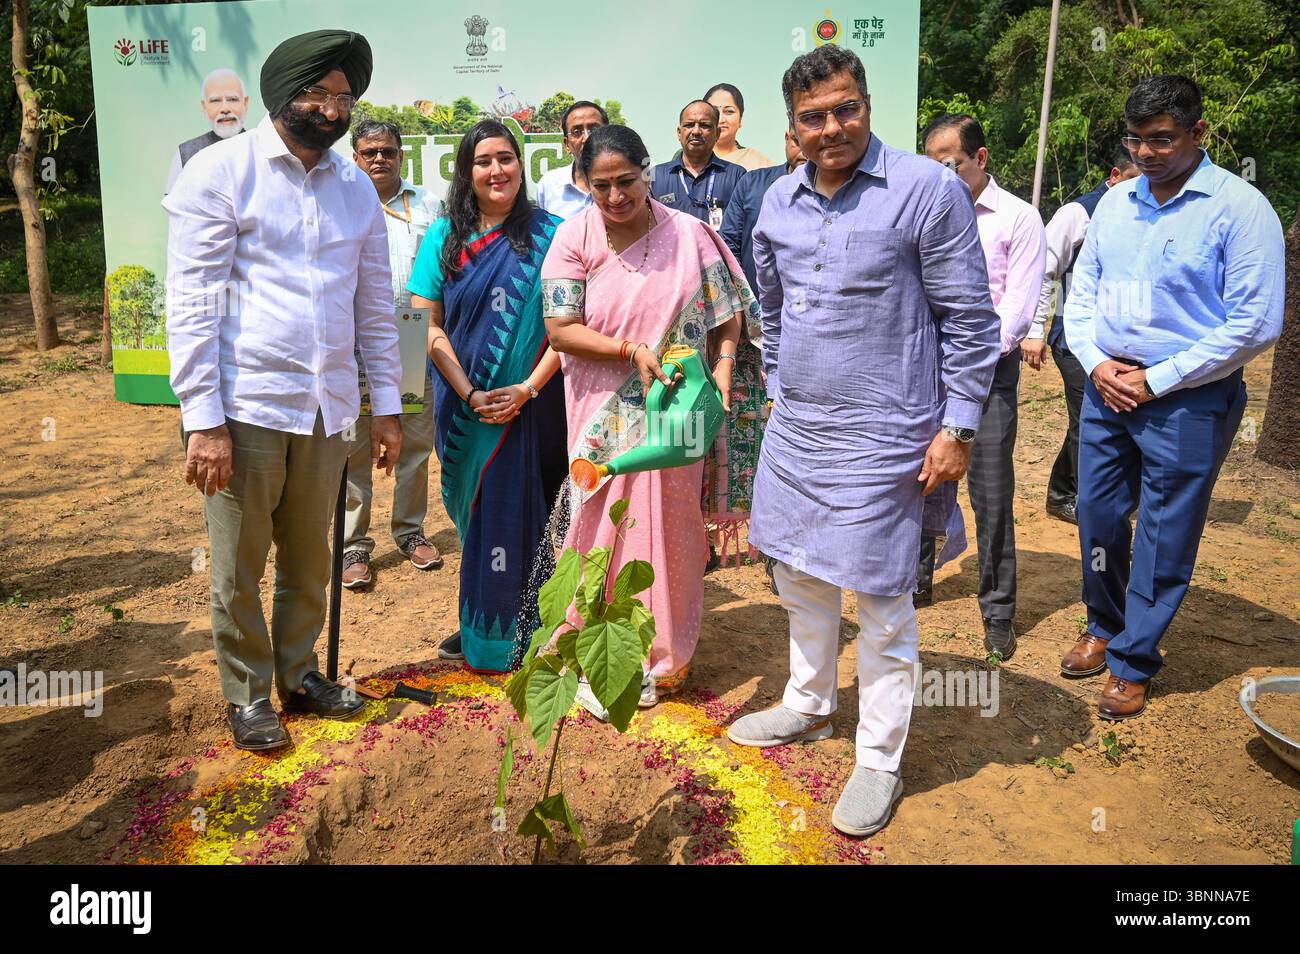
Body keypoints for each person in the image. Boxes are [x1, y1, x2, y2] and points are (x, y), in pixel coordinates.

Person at [726, 45, 1000, 837]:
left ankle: (878, 756)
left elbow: (971, 323)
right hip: (800, 430)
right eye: (813, 117)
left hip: (890, 438)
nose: (832, 127)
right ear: (793, 128)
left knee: (882, 604)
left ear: (868, 105)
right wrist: (778, 392)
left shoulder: (926, 190)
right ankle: (809, 704)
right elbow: (771, 311)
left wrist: (956, 427)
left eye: (846, 108)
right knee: (799, 575)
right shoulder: (777, 202)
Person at [165, 30, 401, 750]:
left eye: (344, 98)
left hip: (328, 407)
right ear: (282, 96)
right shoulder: (219, 173)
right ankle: (247, 695)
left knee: (310, 557)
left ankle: (299, 676)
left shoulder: (355, 184)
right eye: (319, 94)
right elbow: (192, 301)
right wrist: (203, 421)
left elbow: (373, 301)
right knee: (239, 564)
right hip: (245, 408)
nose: (333, 110)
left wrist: (386, 404)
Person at [1061, 75, 1283, 719]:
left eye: (1161, 139)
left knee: (1163, 531)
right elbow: (1082, 297)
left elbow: (1255, 321)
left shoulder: (1239, 209)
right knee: (1097, 514)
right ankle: (1103, 622)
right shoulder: (1115, 204)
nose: (1146, 153)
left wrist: (1158, 379)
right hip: (1108, 388)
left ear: (1197, 133)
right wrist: (1098, 362)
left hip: (1188, 397)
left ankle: (1133, 658)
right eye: (1135, 140)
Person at [542, 124, 749, 709]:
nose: (615, 197)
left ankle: (662, 660)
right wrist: (631, 351)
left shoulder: (691, 234)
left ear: (647, 171)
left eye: (626, 181)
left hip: (675, 409)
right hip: (600, 410)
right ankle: (593, 650)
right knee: (599, 523)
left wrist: (726, 367)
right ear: (584, 183)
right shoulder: (572, 237)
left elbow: (727, 313)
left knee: (669, 525)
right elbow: (560, 330)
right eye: (600, 185)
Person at [408, 120, 568, 672]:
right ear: (466, 171)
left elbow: (572, 324)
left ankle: (536, 629)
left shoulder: (555, 235)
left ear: (521, 166)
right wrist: (471, 393)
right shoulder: (443, 237)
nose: (496, 170)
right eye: (483, 161)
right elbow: (421, 322)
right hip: (463, 411)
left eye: (505, 158)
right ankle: (485, 625)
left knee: (537, 512)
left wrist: (525, 388)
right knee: (478, 515)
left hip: (538, 405)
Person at [917, 114, 1047, 660]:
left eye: (952, 164)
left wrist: (968, 360)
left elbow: (1015, 310)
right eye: (932, 165)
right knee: (920, 479)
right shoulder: (920, 214)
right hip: (923, 373)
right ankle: (915, 579)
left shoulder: (1019, 219)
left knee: (990, 495)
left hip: (989, 376)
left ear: (982, 158)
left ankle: (998, 611)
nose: (942, 175)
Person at [341, 119, 445, 589]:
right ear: (355, 156)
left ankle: (409, 531)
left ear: (401, 155)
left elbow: (445, 270)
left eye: (387, 151)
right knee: (355, 447)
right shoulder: (339, 198)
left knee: (415, 441)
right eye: (369, 152)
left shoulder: (428, 205)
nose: (379, 159)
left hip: (408, 333)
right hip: (352, 339)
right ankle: (352, 546)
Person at [708, 127, 806, 577]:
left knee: (796, 440)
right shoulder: (755, 183)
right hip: (753, 334)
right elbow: (728, 246)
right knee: (748, 439)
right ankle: (753, 542)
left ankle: (787, 548)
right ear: (789, 136)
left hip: (816, 337)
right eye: (797, 135)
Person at [1028, 151, 1139, 525]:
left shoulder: (1143, 214)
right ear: (1114, 174)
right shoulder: (1078, 213)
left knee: (1097, 418)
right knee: (1088, 419)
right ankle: (1073, 497)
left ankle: (1072, 491)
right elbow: (1042, 271)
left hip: (1116, 343)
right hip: (1074, 340)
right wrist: (1034, 331)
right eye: (1135, 177)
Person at [650, 100, 745, 228]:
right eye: (689, 125)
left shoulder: (737, 176)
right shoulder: (655, 177)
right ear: (679, 132)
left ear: (717, 133)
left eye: (704, 125)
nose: (696, 131)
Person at [165, 68, 250, 193]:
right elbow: (174, 209)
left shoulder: (262, 150)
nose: (225, 108)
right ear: (204, 107)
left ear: (245, 103)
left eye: (233, 99)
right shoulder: (185, 154)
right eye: (215, 100)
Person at [536, 100, 607, 220]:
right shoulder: (549, 185)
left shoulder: (627, 183)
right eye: (576, 132)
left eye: (594, 129)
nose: (586, 138)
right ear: (567, 144)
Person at [704, 82, 773, 172]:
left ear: (740, 119)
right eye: (714, 111)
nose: (721, 119)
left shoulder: (760, 163)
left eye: (729, 111)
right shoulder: (685, 158)